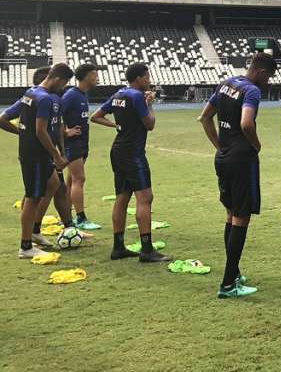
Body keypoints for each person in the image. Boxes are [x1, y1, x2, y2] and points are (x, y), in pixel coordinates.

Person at [199, 53, 277, 297]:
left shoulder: (226, 84)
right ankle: (228, 284)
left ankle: (233, 273)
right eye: (270, 77)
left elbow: (204, 117)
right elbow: (246, 123)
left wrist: (219, 145)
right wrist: (256, 145)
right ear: (262, 72)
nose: (269, 83)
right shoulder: (252, 91)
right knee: (241, 218)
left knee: (231, 215)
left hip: (223, 157)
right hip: (242, 159)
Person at [90, 62, 170, 263]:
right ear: (139, 79)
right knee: (145, 197)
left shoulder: (119, 95)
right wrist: (150, 103)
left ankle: (118, 247)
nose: (149, 80)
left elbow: (96, 116)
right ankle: (146, 250)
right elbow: (150, 124)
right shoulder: (136, 96)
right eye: (147, 77)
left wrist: (115, 125)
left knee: (122, 196)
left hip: (118, 149)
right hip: (133, 152)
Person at [1, 64, 72, 258]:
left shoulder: (30, 93)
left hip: (33, 152)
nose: (64, 87)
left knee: (54, 184)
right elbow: (41, 131)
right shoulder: (45, 99)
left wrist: (23, 134)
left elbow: (3, 118)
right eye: (65, 83)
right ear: (58, 79)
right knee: (32, 198)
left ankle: (34, 231)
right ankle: (25, 247)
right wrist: (57, 155)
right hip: (36, 156)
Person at [63, 63, 101, 230]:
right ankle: (81, 218)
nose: (97, 77)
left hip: (82, 142)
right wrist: (66, 131)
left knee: (71, 180)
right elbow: (54, 114)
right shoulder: (71, 95)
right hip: (73, 143)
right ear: (86, 76)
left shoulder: (82, 94)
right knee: (79, 179)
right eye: (94, 74)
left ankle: (65, 216)